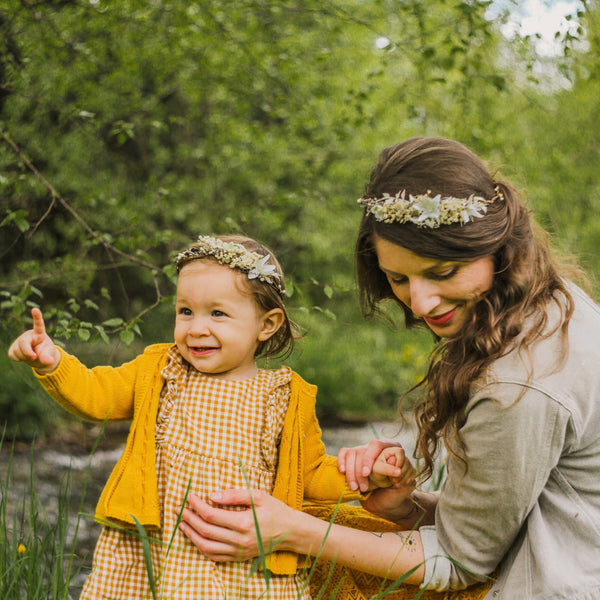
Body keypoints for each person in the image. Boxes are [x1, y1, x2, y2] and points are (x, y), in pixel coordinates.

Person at [177, 138, 600, 600]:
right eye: (399, 278)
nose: (419, 303)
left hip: (551, 587)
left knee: (299, 519)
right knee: (314, 502)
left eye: (440, 272)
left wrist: (291, 532)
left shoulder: (519, 383)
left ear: (495, 246)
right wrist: (406, 508)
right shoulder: (549, 301)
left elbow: (462, 562)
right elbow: (503, 517)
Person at [8, 234, 415, 600]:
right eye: (185, 311)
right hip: (153, 549)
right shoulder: (160, 369)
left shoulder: (285, 397)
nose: (196, 328)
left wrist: (366, 477)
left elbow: (308, 474)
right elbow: (97, 396)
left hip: (243, 557)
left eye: (217, 314)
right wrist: (53, 363)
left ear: (266, 324)